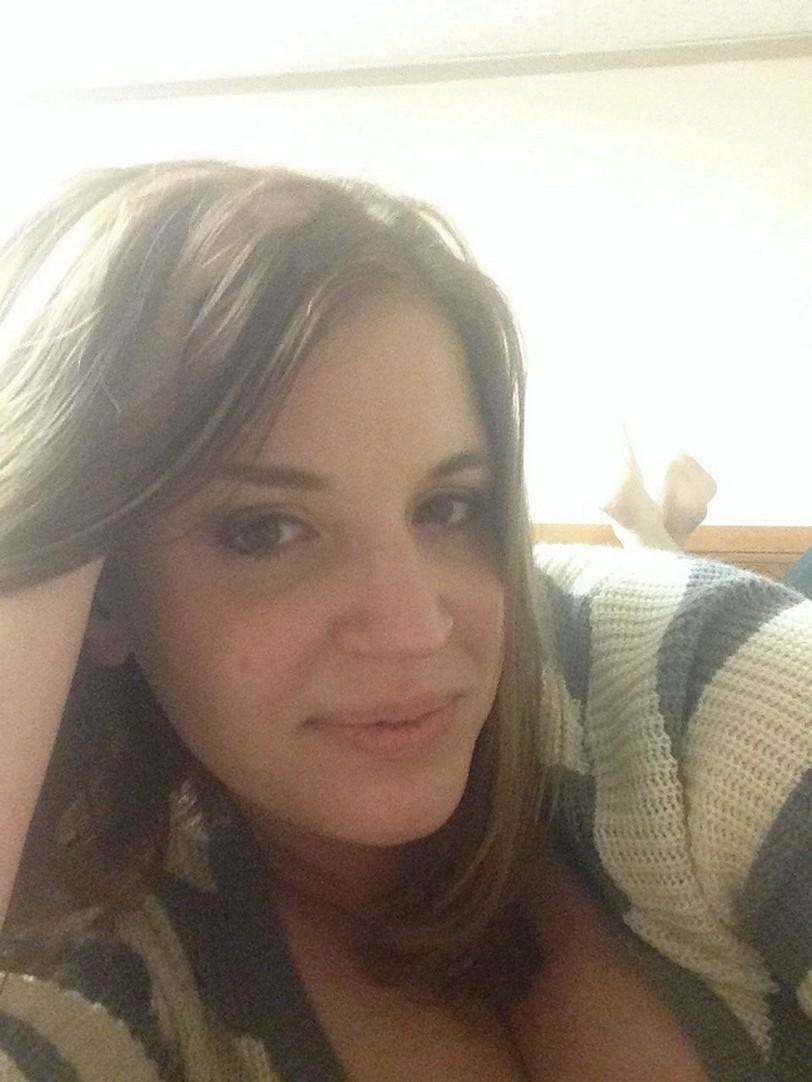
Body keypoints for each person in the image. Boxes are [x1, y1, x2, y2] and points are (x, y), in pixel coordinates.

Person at [0, 161, 808, 1081]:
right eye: (266, 530)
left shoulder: (684, 678)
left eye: (448, 506)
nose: (417, 628)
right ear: (99, 593)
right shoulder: (99, 944)